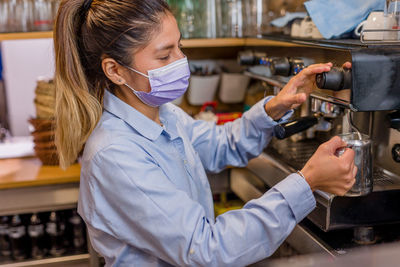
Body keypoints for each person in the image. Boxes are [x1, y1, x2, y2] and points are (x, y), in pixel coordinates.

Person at [53, 0, 357, 266]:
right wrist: (307, 182)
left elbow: (219, 145)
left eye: (179, 47)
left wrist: (275, 107)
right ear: (115, 70)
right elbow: (208, 249)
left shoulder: (164, 113)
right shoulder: (116, 155)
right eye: (164, 56)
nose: (181, 62)